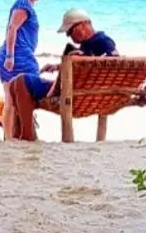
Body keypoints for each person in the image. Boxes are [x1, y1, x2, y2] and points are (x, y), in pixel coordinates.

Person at [8, 8, 119, 141]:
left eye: (70, 31)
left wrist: (78, 58)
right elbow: (91, 65)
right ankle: (21, 133)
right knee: (13, 84)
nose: (68, 35)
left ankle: (27, 135)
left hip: (73, 93)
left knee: (21, 81)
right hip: (78, 90)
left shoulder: (103, 41)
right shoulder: (89, 44)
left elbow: (114, 63)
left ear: (83, 24)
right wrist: (59, 66)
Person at [0, 0, 52, 139]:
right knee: (17, 98)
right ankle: (16, 135)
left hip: (20, 55)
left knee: (13, 99)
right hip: (18, 56)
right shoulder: (23, 3)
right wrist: (10, 56)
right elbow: (12, 28)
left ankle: (12, 136)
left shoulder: (27, 5)